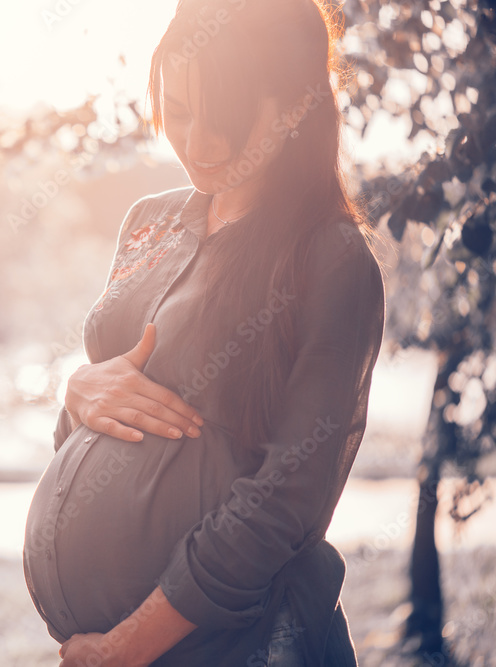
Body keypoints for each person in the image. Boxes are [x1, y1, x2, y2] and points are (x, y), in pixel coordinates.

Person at [21, 0, 388, 665]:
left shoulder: (328, 260)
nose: (197, 144)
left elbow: (288, 499)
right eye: (179, 113)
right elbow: (95, 438)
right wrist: (78, 394)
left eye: (225, 119)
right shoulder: (147, 224)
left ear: (292, 108)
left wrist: (127, 646)